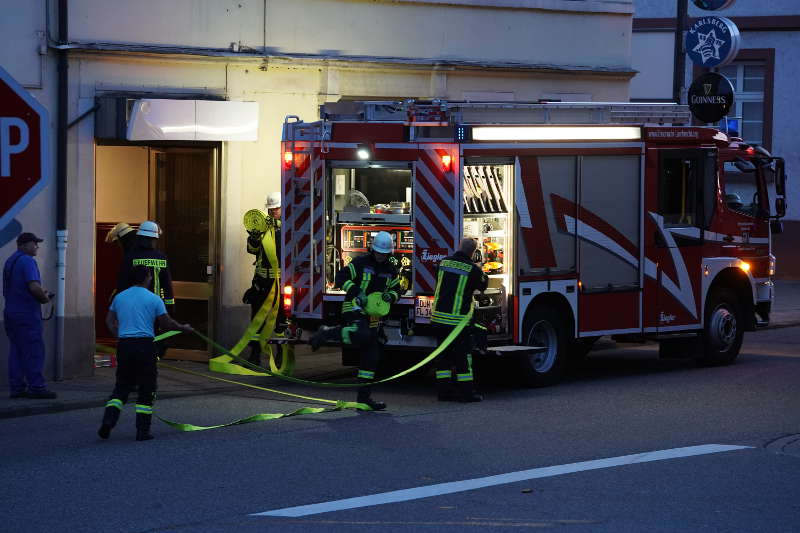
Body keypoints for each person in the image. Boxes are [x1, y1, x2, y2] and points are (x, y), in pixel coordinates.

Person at [309, 231, 402, 410]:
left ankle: (364, 399)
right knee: (362, 334)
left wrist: (391, 296)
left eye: (385, 253)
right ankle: (327, 333)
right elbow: (340, 278)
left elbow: (397, 289)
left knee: (372, 358)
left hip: (374, 316)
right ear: (373, 249)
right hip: (354, 308)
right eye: (378, 252)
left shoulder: (390, 270)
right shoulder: (360, 263)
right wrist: (356, 291)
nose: (381, 256)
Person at [99, 265, 192, 441]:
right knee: (147, 387)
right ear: (147, 278)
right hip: (145, 346)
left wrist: (119, 335)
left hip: (125, 345)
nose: (150, 279)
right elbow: (166, 323)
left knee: (122, 386)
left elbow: (109, 321)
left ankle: (109, 420)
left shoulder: (120, 297)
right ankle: (142, 430)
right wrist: (183, 328)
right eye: (149, 276)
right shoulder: (153, 298)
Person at [431, 238, 488, 403]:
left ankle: (444, 393)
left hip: (439, 319)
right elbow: (483, 285)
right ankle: (467, 394)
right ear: (473, 253)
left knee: (443, 358)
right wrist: (480, 268)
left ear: (458, 247)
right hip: (457, 322)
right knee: (463, 358)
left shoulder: (443, 263)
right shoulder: (473, 269)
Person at [3, 232, 57, 399]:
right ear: (24, 245)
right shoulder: (27, 261)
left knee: (17, 351)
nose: (37, 247)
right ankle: (37, 387)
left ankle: (17, 388)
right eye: (34, 243)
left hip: (11, 312)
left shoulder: (10, 261)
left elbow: (18, 287)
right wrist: (44, 298)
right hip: (26, 314)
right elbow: (33, 287)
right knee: (33, 351)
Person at [116, 221, 175, 358]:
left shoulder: (130, 257)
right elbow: (167, 285)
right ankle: (153, 356)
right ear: (155, 239)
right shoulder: (162, 257)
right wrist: (170, 308)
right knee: (154, 333)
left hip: (135, 305)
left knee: (138, 332)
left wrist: (119, 305)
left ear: (139, 237)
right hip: (157, 305)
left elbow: (123, 284)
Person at [243, 192, 283, 365]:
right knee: (257, 319)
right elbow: (252, 250)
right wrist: (253, 238)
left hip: (281, 282)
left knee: (281, 320)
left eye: (276, 208)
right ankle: (255, 354)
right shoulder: (262, 227)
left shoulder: (288, 227)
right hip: (261, 281)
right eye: (271, 209)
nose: (273, 212)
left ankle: (282, 353)